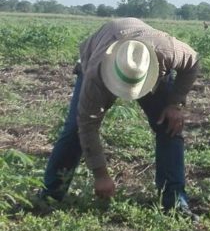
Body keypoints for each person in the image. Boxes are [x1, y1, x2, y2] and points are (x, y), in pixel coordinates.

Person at [40, 18, 200, 217]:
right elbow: (87, 125)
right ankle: (50, 195)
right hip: (100, 52)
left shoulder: (167, 50)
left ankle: (175, 203)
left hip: (151, 63)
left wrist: (175, 104)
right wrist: (101, 174)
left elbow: (192, 62)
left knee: (170, 126)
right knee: (74, 130)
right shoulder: (96, 76)